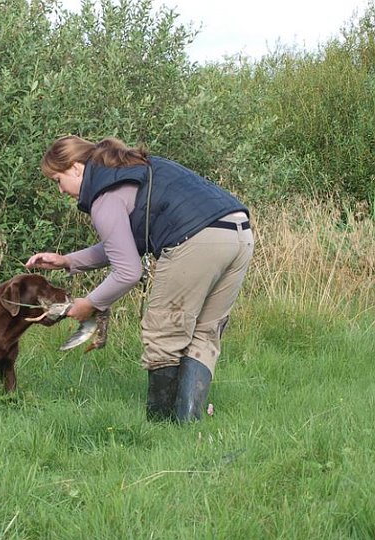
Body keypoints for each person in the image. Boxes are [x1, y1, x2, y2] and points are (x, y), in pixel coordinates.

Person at [25, 135, 254, 422]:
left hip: (196, 238)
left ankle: (160, 426)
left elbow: (128, 271)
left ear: (75, 168)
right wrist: (68, 261)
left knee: (163, 333)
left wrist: (90, 304)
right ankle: (188, 424)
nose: (60, 191)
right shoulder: (130, 169)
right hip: (239, 232)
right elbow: (123, 243)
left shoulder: (104, 197)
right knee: (204, 332)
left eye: (57, 180)